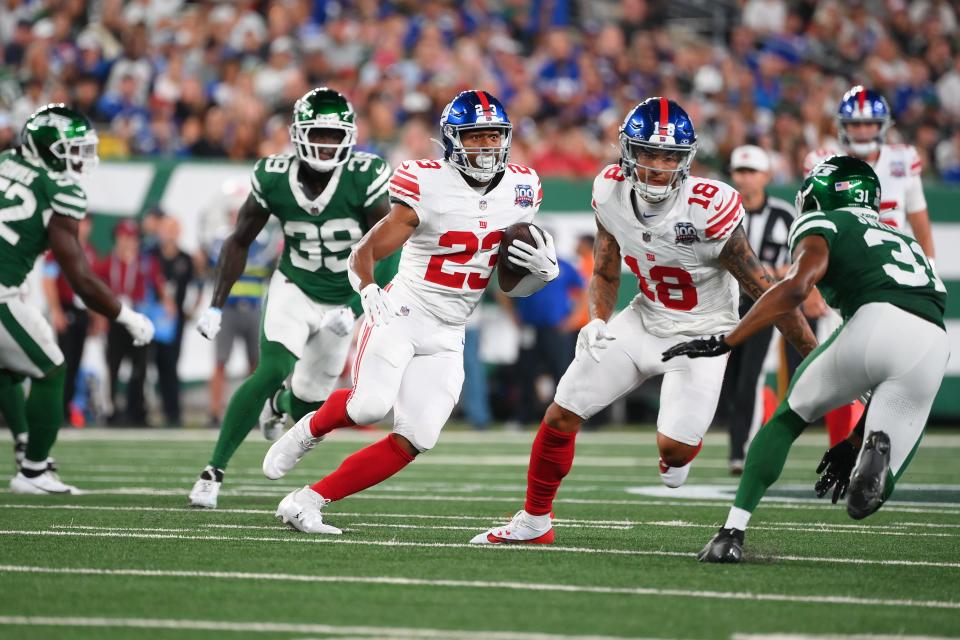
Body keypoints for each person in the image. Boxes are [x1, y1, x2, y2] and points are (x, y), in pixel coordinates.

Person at [468, 98, 817, 545]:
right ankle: (535, 521)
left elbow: (764, 287)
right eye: (648, 153)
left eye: (669, 156)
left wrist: (814, 356)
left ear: (686, 160)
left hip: (703, 333)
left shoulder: (709, 206)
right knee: (561, 411)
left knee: (674, 454)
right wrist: (596, 320)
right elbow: (606, 270)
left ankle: (676, 456)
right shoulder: (610, 192)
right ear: (627, 152)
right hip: (645, 319)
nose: (657, 166)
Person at [261, 89, 559, 534]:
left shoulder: (521, 189)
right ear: (453, 141)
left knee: (419, 436)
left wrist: (540, 273)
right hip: (403, 311)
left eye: (493, 136)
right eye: (474, 137)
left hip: (451, 327)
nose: (485, 146)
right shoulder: (427, 182)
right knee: (368, 407)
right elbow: (365, 249)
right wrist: (367, 289)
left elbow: (509, 286)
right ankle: (307, 431)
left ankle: (307, 502)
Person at [667, 156, 947, 563]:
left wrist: (729, 339)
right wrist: (856, 439)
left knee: (787, 418)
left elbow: (796, 288)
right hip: (932, 343)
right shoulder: (904, 240)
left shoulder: (825, 223)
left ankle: (732, 533)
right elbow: (900, 343)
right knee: (864, 501)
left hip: (874, 322)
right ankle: (873, 450)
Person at [189, 88, 396, 509]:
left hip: (345, 294)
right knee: (272, 367)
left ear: (350, 138)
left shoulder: (366, 175)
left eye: (333, 136)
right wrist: (215, 303)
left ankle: (279, 405)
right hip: (296, 286)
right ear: (298, 135)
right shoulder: (273, 176)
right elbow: (239, 240)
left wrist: (356, 307)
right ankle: (213, 471)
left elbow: (389, 249)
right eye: (317, 134)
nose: (325, 144)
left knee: (308, 404)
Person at [1, 104, 153, 493]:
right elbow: (81, 278)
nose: (81, 159)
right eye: (73, 150)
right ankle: (33, 471)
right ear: (48, 148)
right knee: (51, 369)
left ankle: (24, 446)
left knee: (9, 368)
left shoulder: (5, 162)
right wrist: (125, 315)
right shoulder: (59, 188)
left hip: (10, 287)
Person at [722, 145, 795, 474]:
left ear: (766, 176)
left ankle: (743, 449)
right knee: (728, 378)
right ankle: (737, 446)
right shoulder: (721, 210)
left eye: (752, 172)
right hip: (724, 305)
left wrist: (774, 273)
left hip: (763, 305)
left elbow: (800, 261)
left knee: (749, 377)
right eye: (740, 171)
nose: (745, 178)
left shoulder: (783, 215)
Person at [803, 86, 935, 260]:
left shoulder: (903, 159)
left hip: (893, 266)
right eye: (855, 124)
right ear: (843, 126)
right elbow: (811, 231)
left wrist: (930, 266)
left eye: (870, 123)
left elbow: (921, 226)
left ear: (882, 125)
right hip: (843, 267)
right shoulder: (823, 164)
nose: (863, 130)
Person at [202, 183, 280, 427]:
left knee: (256, 366)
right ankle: (215, 413)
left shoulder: (263, 243)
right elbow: (211, 266)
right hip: (228, 309)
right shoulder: (222, 241)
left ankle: (255, 412)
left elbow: (272, 273)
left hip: (254, 309)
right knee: (220, 362)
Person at [95, 219, 169, 426]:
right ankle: (111, 411)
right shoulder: (108, 262)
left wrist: (167, 305)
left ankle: (137, 410)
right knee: (113, 365)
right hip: (116, 321)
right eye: (124, 237)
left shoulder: (146, 263)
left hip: (139, 321)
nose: (128, 242)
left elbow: (160, 286)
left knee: (141, 366)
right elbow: (96, 292)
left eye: (132, 238)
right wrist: (99, 318)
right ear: (117, 239)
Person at [41, 215, 97, 423]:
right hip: (66, 309)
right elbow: (48, 280)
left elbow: (94, 287)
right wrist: (56, 311)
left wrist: (95, 315)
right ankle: (56, 409)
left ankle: (66, 408)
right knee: (63, 362)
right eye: (82, 222)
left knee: (76, 362)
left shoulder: (89, 251)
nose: (85, 227)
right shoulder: (60, 249)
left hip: (82, 311)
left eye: (88, 223)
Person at [151, 216, 199, 427]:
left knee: (171, 364)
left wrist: (192, 310)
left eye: (174, 228)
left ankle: (172, 412)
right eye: (167, 228)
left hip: (174, 319)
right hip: (151, 317)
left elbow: (197, 285)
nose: (170, 232)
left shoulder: (186, 259)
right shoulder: (151, 255)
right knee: (147, 364)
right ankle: (143, 409)